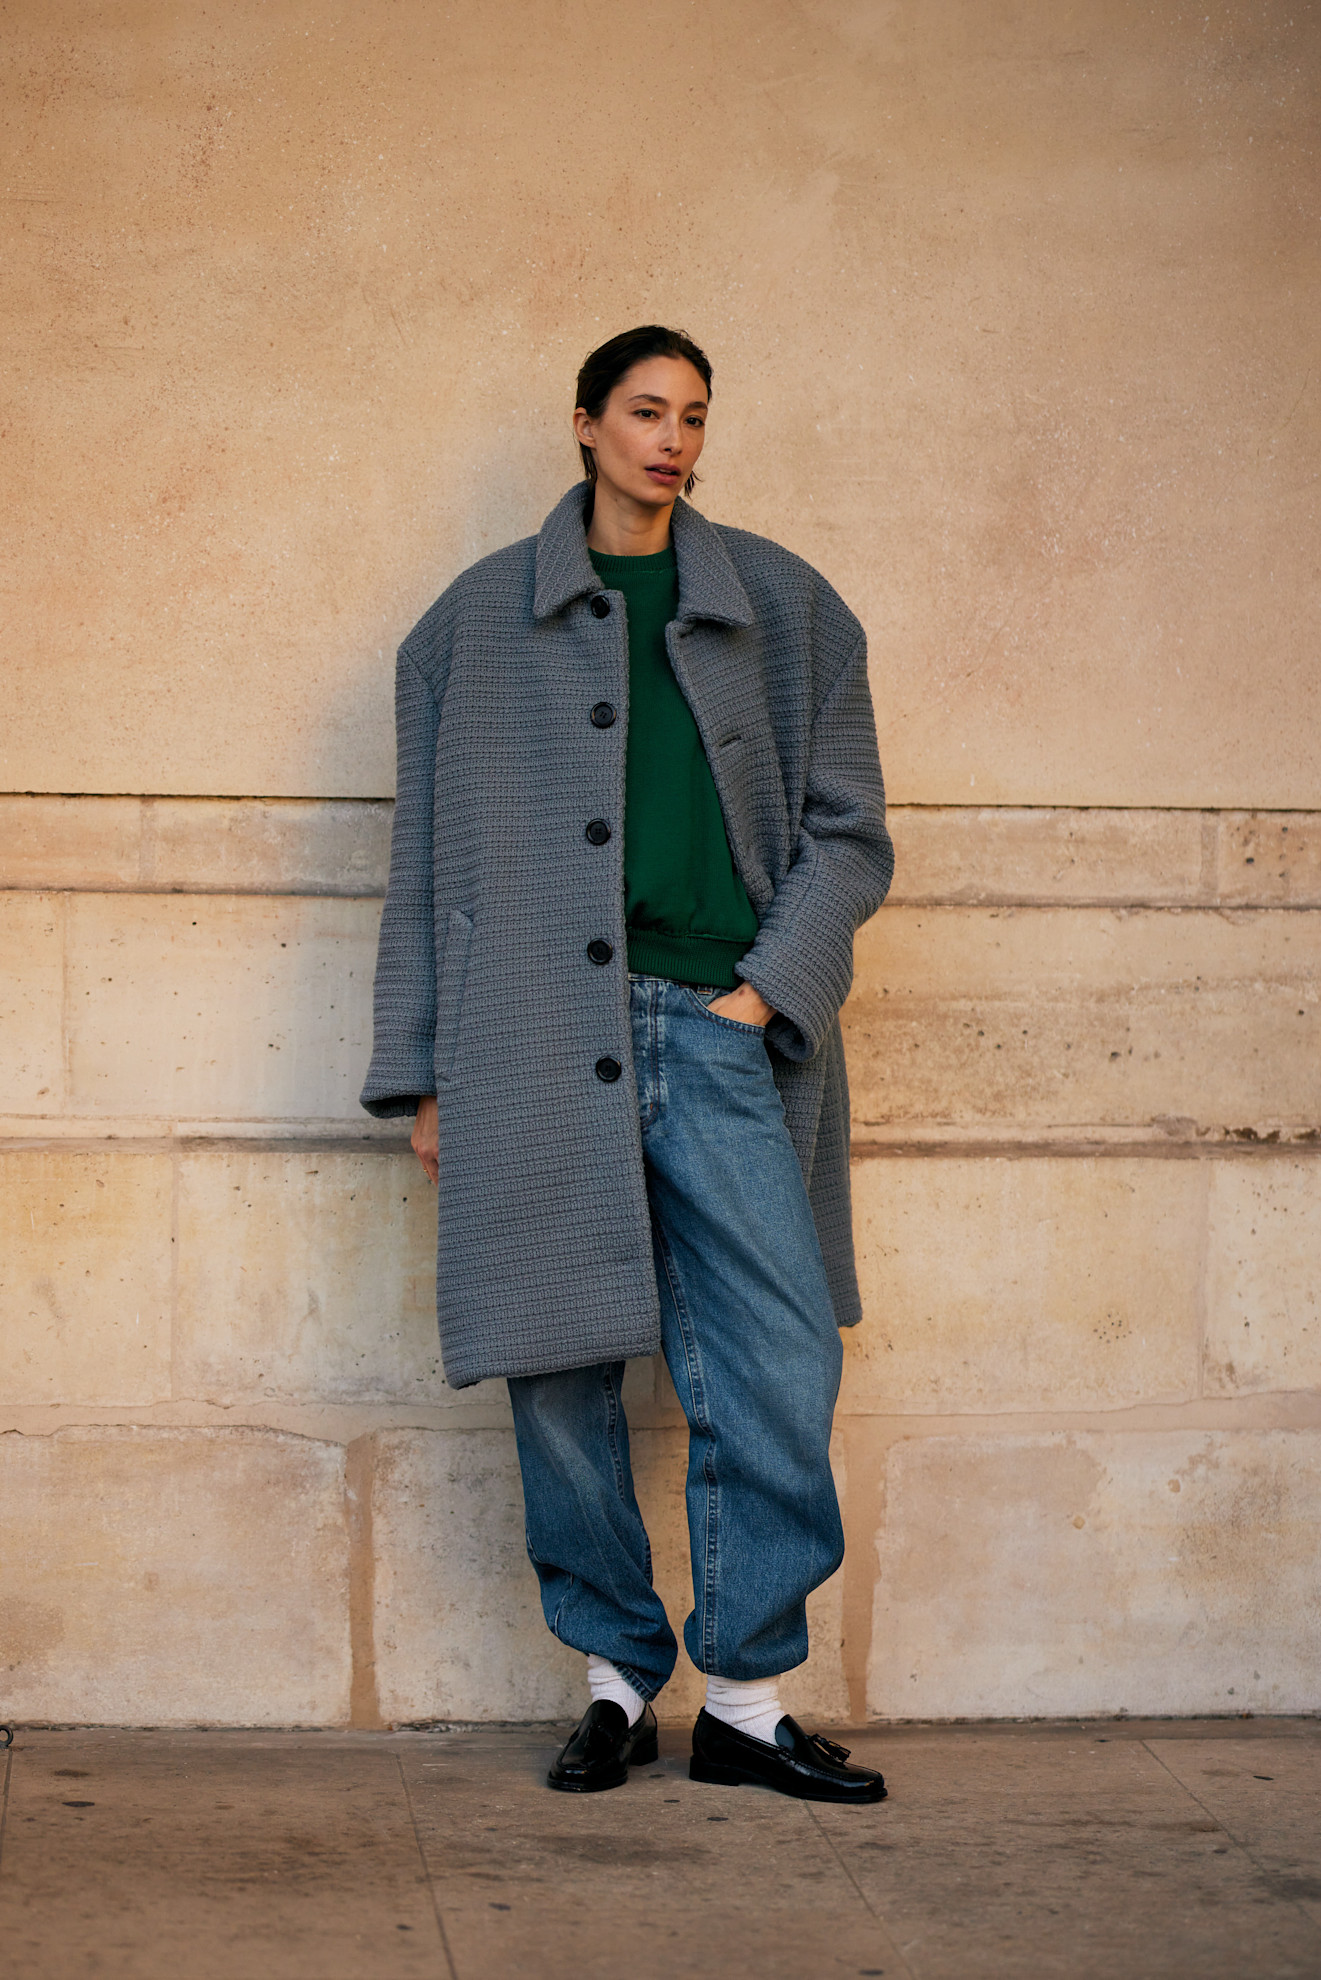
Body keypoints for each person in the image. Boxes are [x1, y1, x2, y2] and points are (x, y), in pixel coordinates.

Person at [362, 325, 894, 1803]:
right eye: (646, 411)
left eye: (695, 417)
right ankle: (611, 1683)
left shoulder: (787, 610)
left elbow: (851, 837)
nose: (672, 439)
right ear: (586, 423)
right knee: (555, 1367)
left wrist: (758, 995)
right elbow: (422, 868)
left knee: (772, 1364)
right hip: (527, 1042)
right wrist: (425, 1076)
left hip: (716, 1037)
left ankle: (743, 1697)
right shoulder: (471, 625)